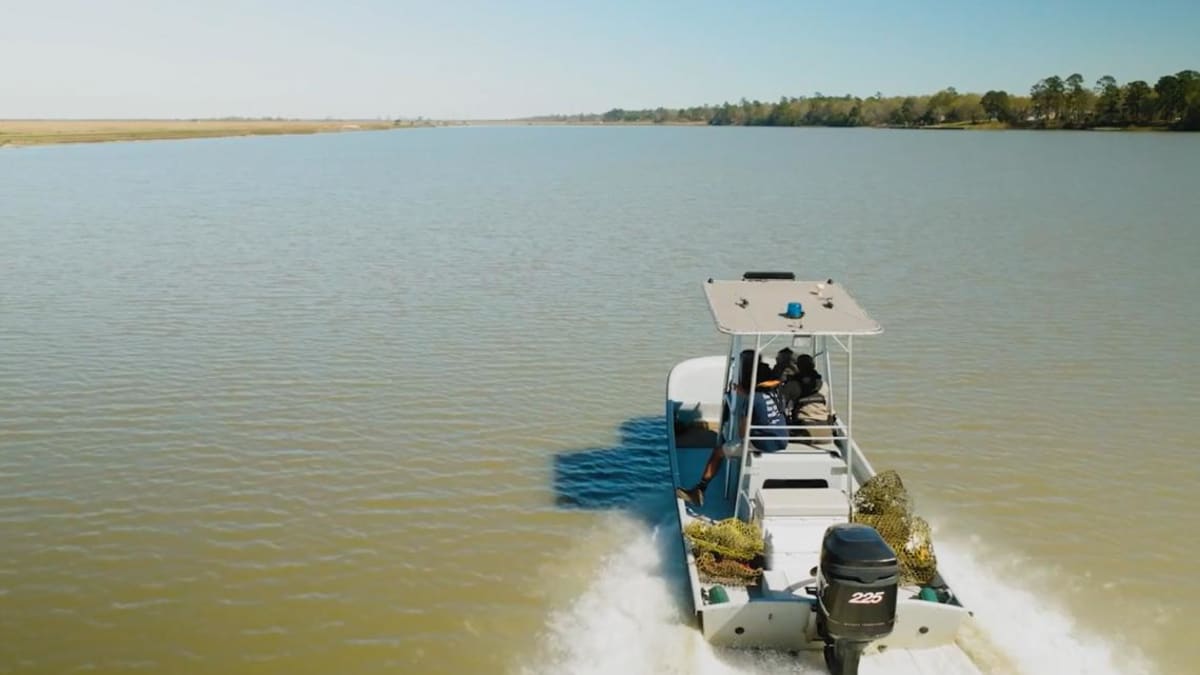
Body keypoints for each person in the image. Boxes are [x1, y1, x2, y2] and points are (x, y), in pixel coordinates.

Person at [676, 353, 788, 506]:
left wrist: (745, 407)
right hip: (782, 439)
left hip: (765, 444)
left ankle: (700, 490)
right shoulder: (776, 393)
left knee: (718, 452)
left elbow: (742, 434)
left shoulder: (752, 400)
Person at [774, 349, 833, 443]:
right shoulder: (823, 384)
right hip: (826, 432)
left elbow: (779, 407)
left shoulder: (793, 385)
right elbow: (829, 409)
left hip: (805, 430)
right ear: (813, 366)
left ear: (798, 366)